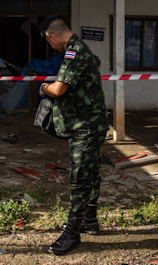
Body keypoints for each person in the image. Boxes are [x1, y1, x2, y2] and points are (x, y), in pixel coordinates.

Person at [37, 15, 109, 256]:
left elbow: (58, 89)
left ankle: (72, 234)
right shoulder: (82, 49)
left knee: (80, 178)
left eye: (49, 42)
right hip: (91, 124)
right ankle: (90, 220)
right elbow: (97, 64)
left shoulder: (73, 52)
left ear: (52, 36)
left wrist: (44, 87)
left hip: (85, 127)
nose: (51, 46)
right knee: (91, 173)